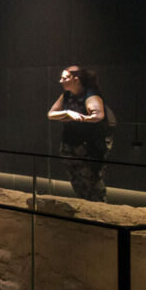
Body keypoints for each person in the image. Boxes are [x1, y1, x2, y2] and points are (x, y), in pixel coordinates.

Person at [47, 66, 111, 202]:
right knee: (77, 182)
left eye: (65, 78)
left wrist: (82, 118)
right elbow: (51, 114)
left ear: (76, 79)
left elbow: (98, 115)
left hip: (88, 148)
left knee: (92, 183)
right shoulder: (67, 95)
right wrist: (67, 113)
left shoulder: (91, 95)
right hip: (70, 146)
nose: (61, 81)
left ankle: (99, 213)